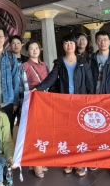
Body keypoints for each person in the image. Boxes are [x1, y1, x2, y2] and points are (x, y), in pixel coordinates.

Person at [35, 33, 93, 177]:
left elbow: (90, 82)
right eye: (66, 43)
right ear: (63, 46)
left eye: (71, 43)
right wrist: (38, 89)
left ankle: (81, 163)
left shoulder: (83, 62)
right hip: (64, 104)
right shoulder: (59, 63)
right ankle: (69, 162)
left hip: (81, 103)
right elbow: (50, 79)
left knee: (81, 133)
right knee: (67, 133)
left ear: (75, 45)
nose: (69, 45)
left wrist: (92, 101)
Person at [22, 40, 49, 178]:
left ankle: (40, 159)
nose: (34, 50)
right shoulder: (25, 66)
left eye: (36, 48)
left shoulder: (44, 65)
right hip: (32, 101)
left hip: (45, 101)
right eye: (31, 48)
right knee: (34, 132)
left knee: (43, 131)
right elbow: (23, 85)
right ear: (27, 51)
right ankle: (36, 163)